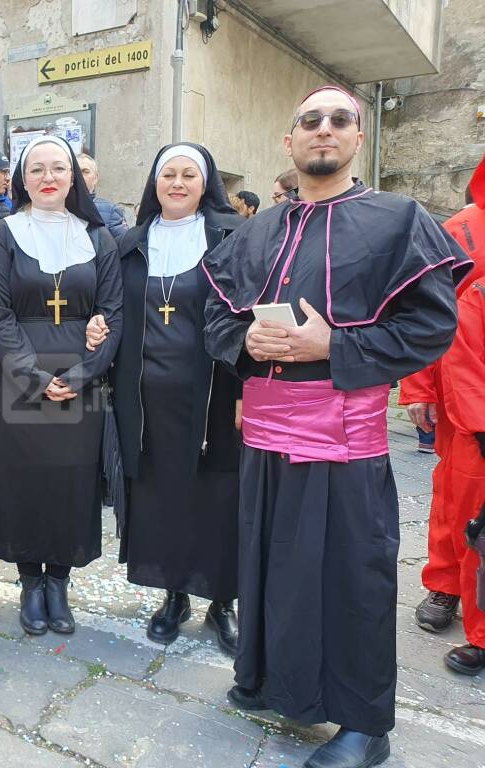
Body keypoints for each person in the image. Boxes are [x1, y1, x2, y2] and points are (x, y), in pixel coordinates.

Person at [203, 85, 470, 768]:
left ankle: (363, 725)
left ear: (357, 140)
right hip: (263, 434)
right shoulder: (256, 229)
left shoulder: (398, 219)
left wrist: (334, 348)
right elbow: (216, 319)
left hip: (342, 438)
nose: (324, 130)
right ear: (289, 142)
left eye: (340, 120)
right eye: (309, 121)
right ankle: (267, 680)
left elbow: (432, 325)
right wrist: (245, 344)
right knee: (269, 566)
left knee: (352, 576)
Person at [0, 135, 123, 637]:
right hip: (17, 378)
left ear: (73, 177)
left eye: (57, 168)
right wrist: (34, 376)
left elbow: (113, 312)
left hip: (81, 379)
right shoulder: (2, 236)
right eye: (36, 169)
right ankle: (29, 580)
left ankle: (58, 580)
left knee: (70, 480)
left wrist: (83, 373)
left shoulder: (98, 236)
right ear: (22, 179)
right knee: (24, 478)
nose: (47, 178)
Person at [102, 143, 243, 654]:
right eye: (168, 175)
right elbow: (110, 306)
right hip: (144, 397)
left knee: (217, 497)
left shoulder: (231, 238)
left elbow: (247, 316)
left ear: (206, 184)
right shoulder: (129, 244)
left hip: (213, 394)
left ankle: (220, 603)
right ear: (154, 183)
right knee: (161, 497)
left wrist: (247, 390)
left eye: (189, 175)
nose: (178, 183)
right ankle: (173, 596)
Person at [401, 161, 485, 642]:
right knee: (455, 499)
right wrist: (417, 385)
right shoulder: (463, 230)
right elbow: (424, 307)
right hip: (463, 395)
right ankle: (446, 585)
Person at [77, 152, 129, 238]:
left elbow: (125, 246)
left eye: (85, 171)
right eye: (77, 171)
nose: (80, 176)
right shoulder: (61, 207)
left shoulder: (111, 210)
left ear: (95, 178)